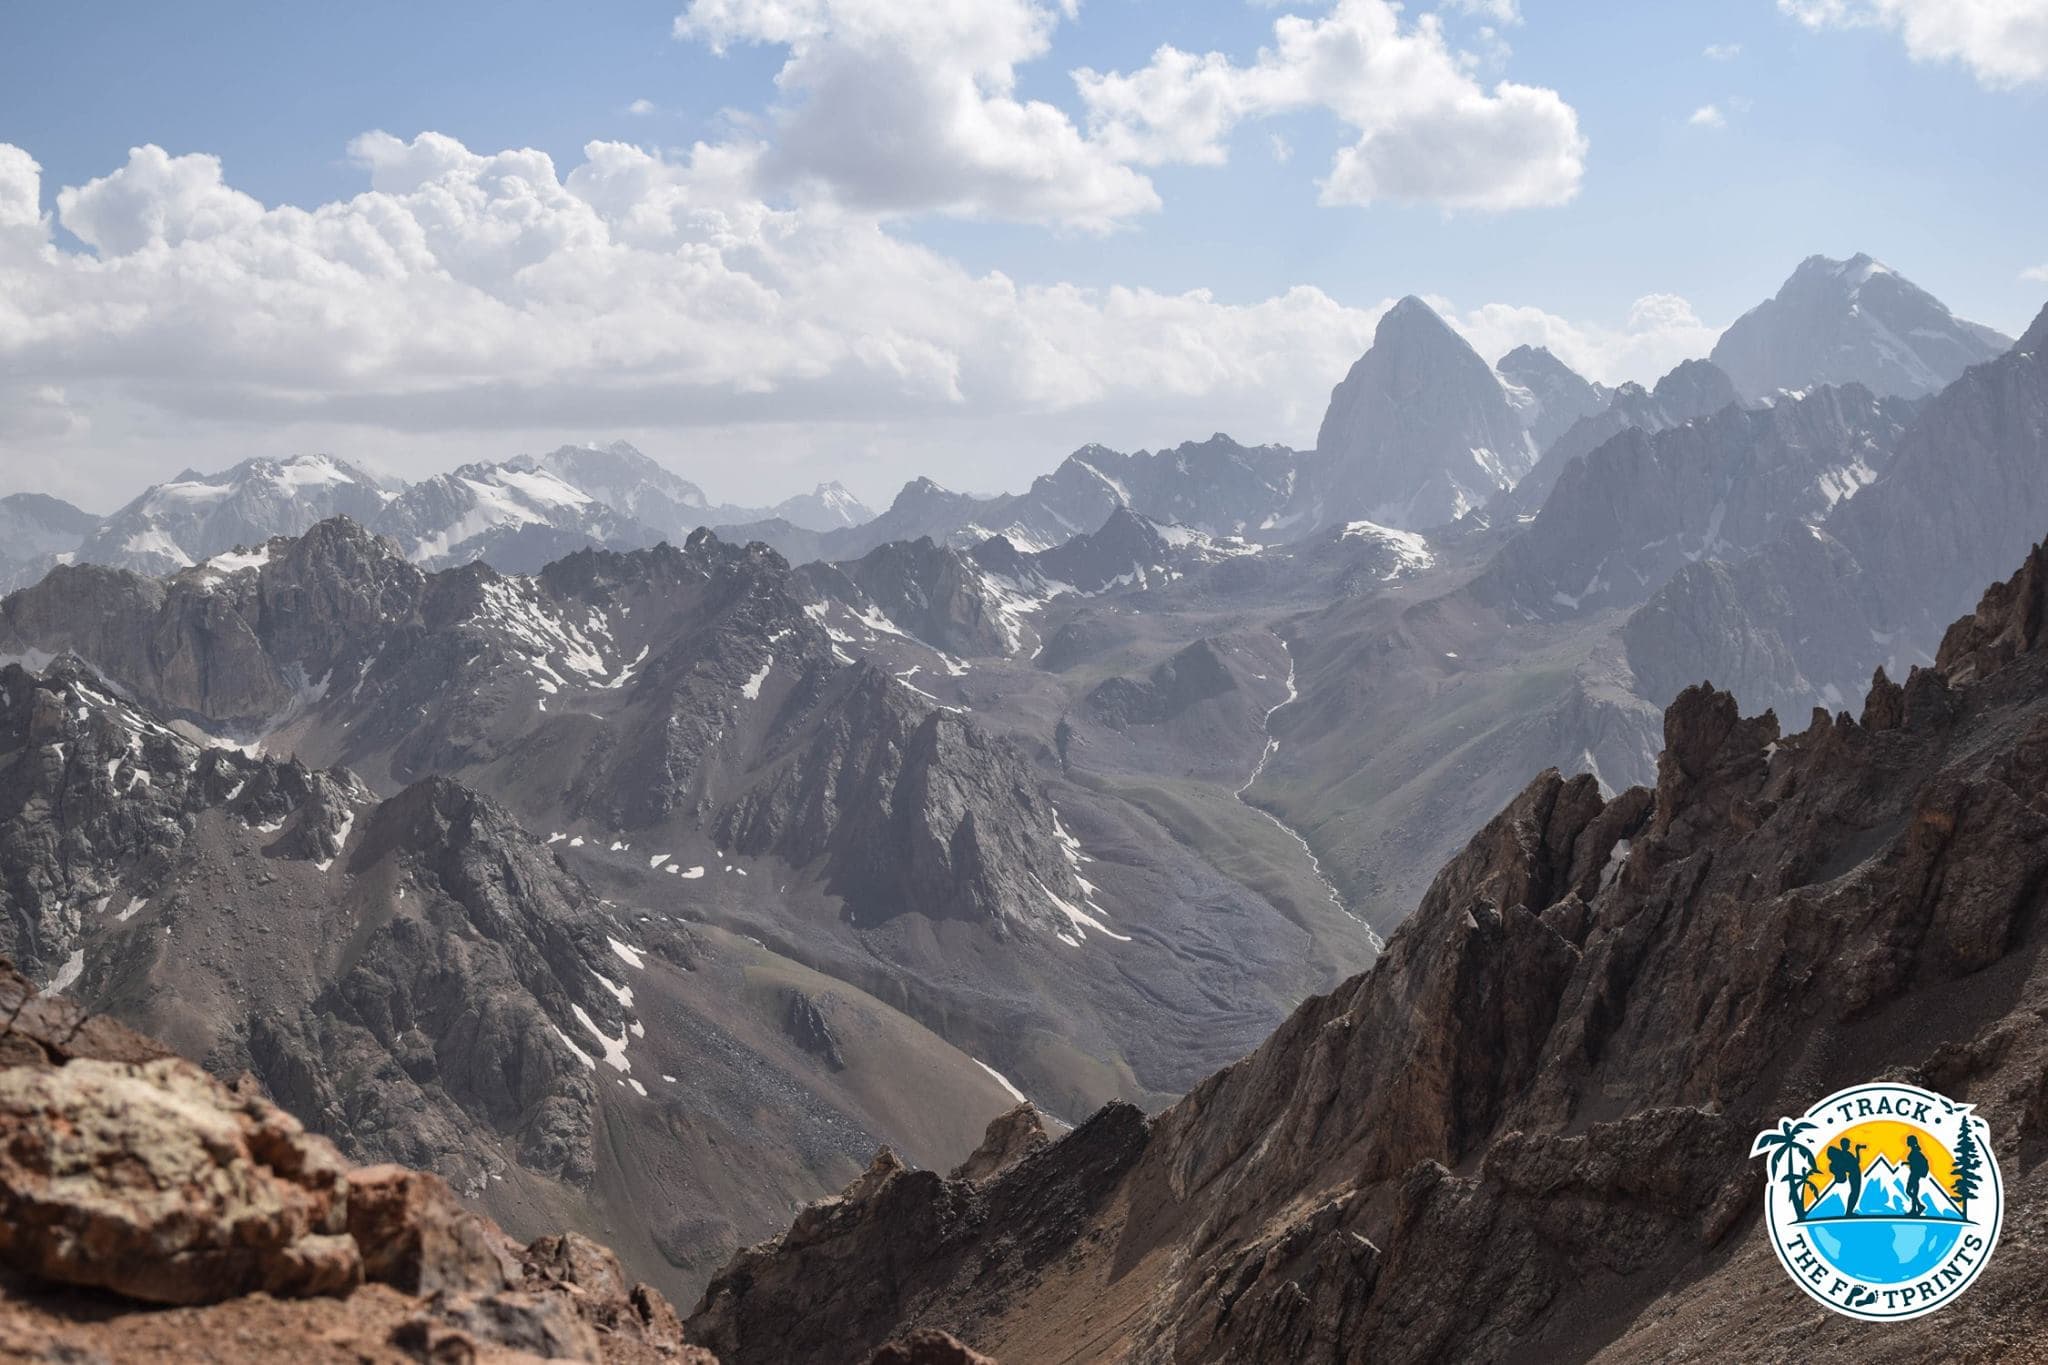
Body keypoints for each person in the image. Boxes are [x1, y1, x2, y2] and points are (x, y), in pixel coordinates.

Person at [1825, 1137, 1863, 1216]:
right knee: (1854, 1193)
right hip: (1854, 1175)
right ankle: (1849, 1212)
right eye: (1848, 1144)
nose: (1849, 1146)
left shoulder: (1845, 1154)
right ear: (1844, 1145)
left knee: (1854, 1193)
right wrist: (1857, 1150)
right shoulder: (1845, 1155)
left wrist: (1857, 1150)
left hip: (1855, 1174)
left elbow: (1855, 1163)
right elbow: (1856, 1162)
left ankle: (1849, 1211)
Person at [1904, 1135, 1930, 1217]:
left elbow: (1915, 1163)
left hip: (1914, 1174)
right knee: (1912, 1192)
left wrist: (1908, 1163)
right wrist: (1906, 1163)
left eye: (1908, 1140)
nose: (1906, 1142)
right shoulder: (1915, 1151)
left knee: (1910, 1191)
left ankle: (1916, 1209)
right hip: (1914, 1174)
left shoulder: (1915, 1152)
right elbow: (1914, 1162)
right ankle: (1917, 1207)